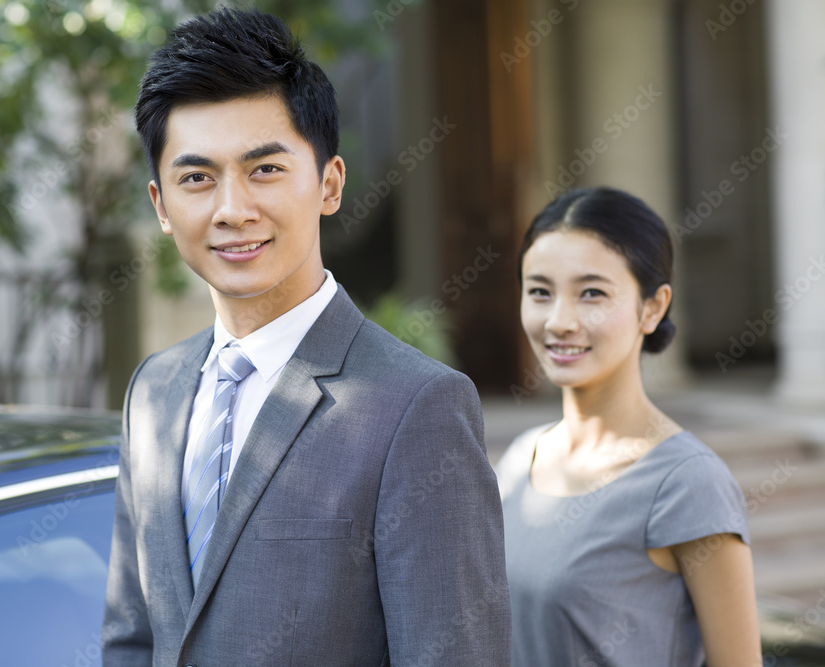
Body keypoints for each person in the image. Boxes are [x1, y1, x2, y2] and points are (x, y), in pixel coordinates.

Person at [102, 8, 511, 665]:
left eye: (264, 169)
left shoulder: (418, 408)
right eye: (197, 178)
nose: (233, 209)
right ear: (160, 206)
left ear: (329, 183)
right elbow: (132, 638)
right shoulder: (153, 391)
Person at [494, 186, 760, 666]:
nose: (559, 321)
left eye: (592, 293)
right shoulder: (519, 459)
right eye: (539, 292)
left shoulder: (686, 483)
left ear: (653, 307)